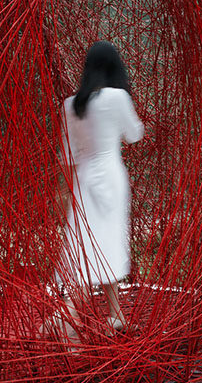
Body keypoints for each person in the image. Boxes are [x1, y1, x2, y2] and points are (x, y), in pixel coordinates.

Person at [57, 41, 144, 335]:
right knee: (106, 244)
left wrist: (65, 191)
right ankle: (66, 319)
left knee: (87, 244)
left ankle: (115, 313)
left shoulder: (71, 104)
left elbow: (67, 155)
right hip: (110, 175)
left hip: (82, 179)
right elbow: (134, 135)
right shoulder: (117, 97)